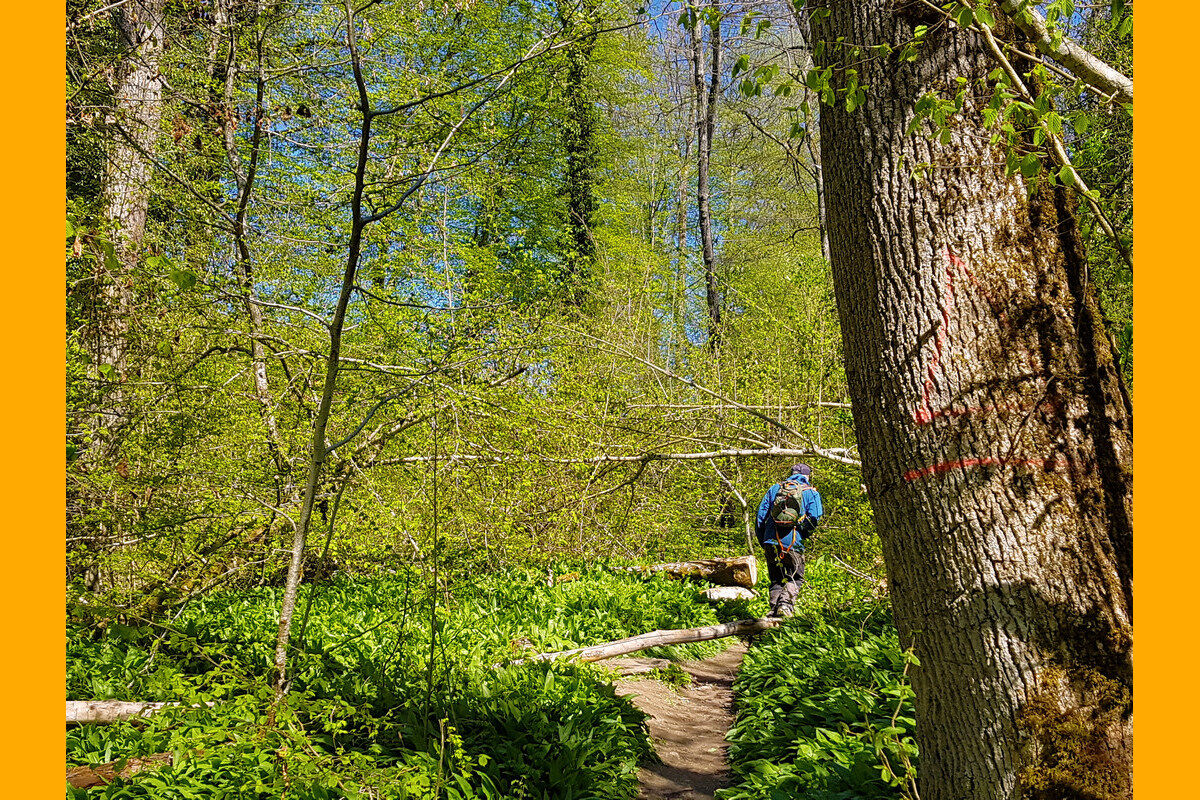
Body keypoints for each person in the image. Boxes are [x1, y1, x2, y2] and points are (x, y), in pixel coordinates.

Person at [755, 463, 823, 617]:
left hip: (771, 540)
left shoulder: (775, 489)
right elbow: (815, 517)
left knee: (776, 579)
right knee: (796, 577)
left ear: (791, 473)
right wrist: (803, 533)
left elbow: (760, 518)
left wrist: (764, 540)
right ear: (807, 476)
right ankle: (785, 606)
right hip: (793, 541)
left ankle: (773, 612)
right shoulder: (810, 492)